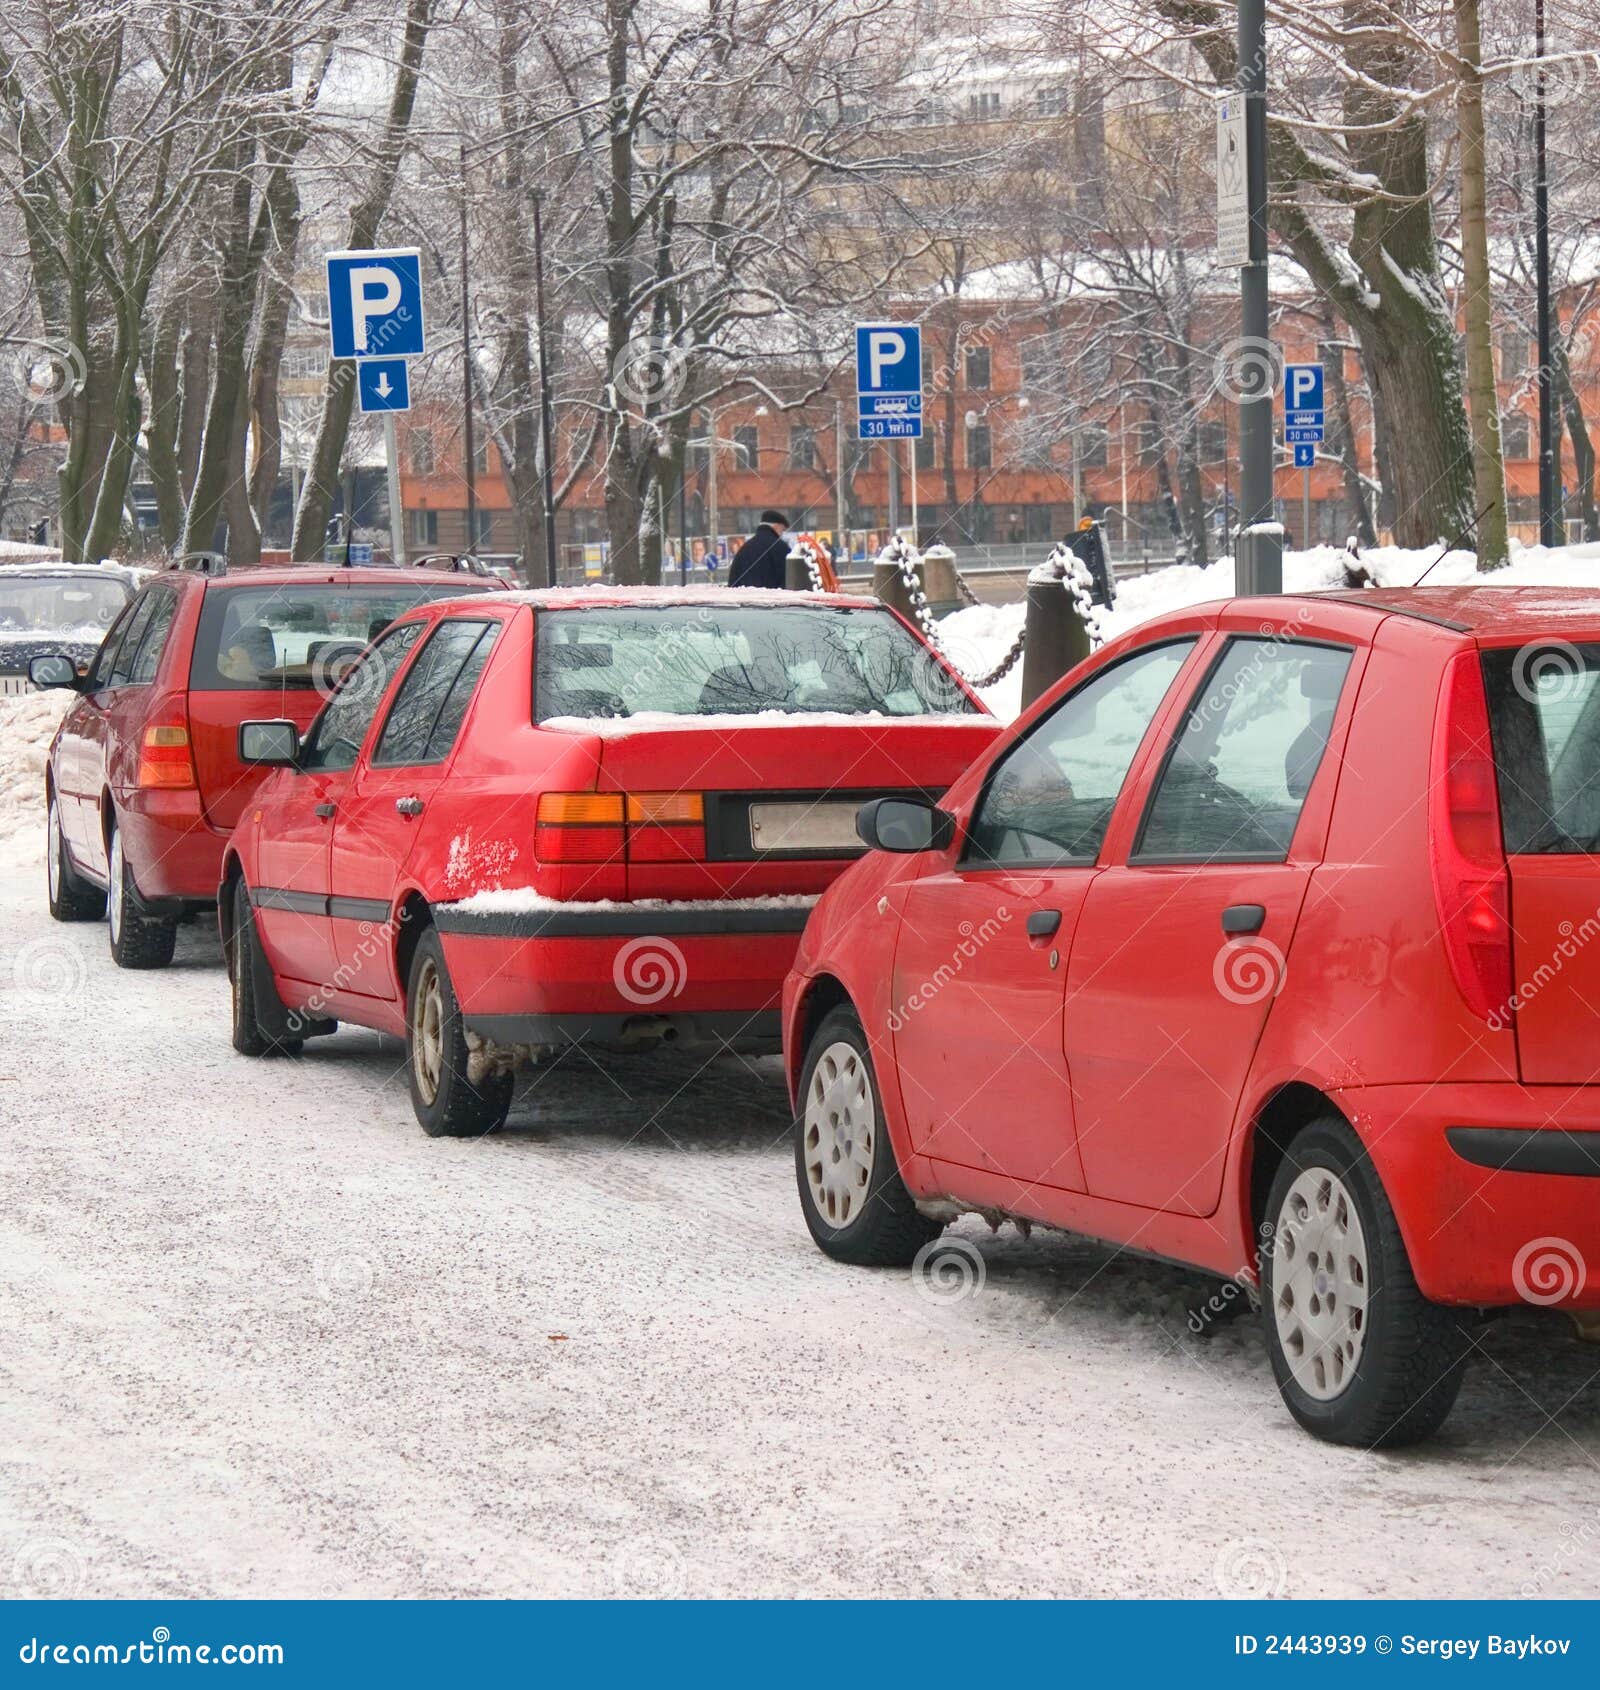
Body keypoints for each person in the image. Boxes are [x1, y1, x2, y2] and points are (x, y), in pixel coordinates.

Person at [728, 509, 789, 589]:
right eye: (782, 530)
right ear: (776, 527)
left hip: (745, 599)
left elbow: (733, 581)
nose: (782, 534)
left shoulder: (744, 549)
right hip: (773, 599)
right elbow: (790, 578)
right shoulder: (781, 548)